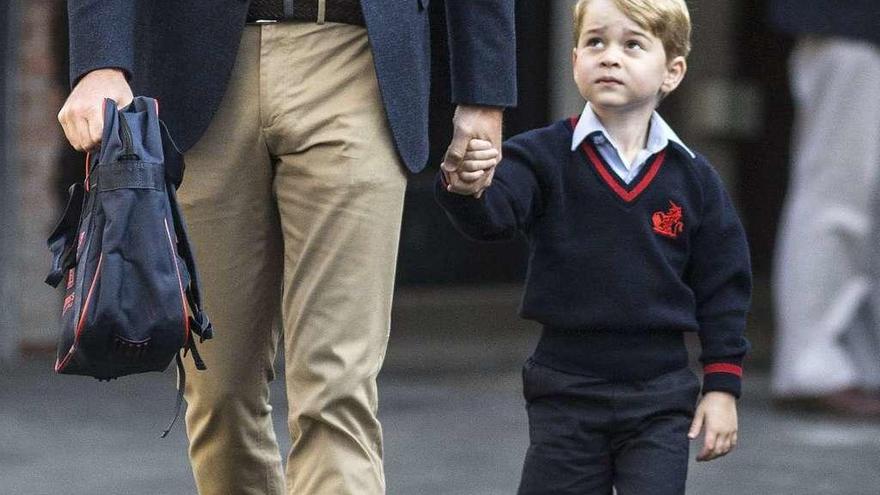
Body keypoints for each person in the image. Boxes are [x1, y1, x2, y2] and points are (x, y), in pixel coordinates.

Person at [57, 1, 516, 493]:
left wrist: (482, 96)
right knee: (218, 394)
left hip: (355, 57)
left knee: (337, 390)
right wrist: (99, 60)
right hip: (198, 63)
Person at [436, 0, 750, 493]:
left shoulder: (695, 180)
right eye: (595, 42)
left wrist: (722, 387)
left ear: (672, 71)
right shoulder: (540, 156)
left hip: (660, 396)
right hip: (565, 390)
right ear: (574, 58)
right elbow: (493, 216)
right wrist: (467, 185)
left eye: (632, 45)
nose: (609, 56)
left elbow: (724, 289)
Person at [769, 0, 880, 417]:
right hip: (852, 23)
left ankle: (857, 364)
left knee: (858, 201)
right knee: (838, 196)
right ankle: (810, 366)